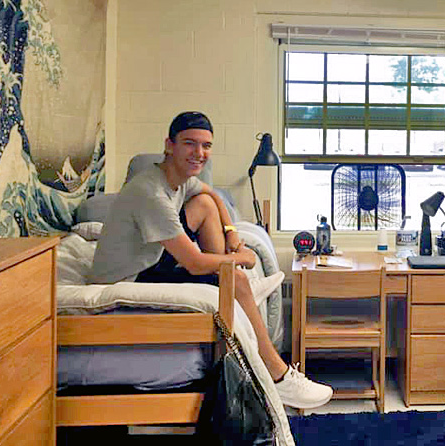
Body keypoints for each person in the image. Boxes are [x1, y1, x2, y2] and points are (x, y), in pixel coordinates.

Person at [89, 111, 333, 410]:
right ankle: (277, 375)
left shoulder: (178, 179)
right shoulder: (150, 192)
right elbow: (193, 263)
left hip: (149, 260)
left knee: (204, 204)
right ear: (169, 145)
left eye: (206, 146)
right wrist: (241, 259)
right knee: (238, 275)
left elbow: (213, 196)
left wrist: (231, 234)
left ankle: (231, 287)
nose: (199, 153)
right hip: (126, 278)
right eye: (190, 144)